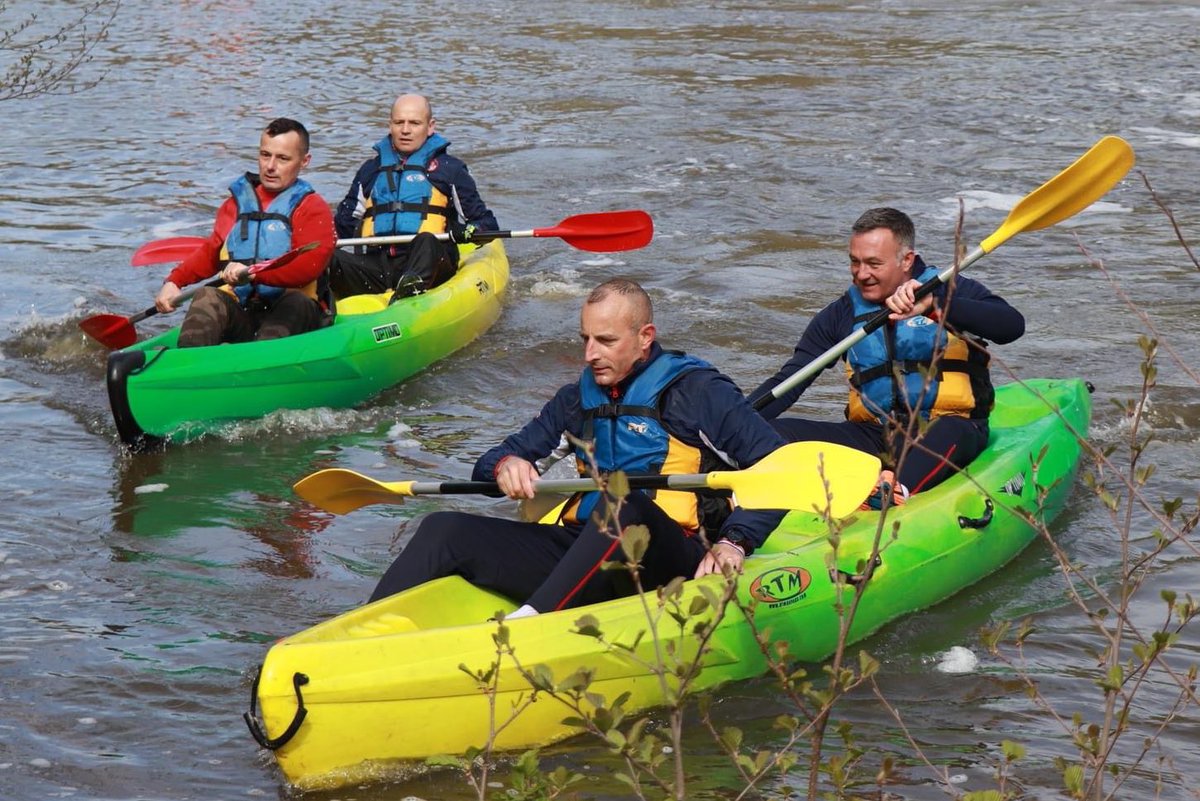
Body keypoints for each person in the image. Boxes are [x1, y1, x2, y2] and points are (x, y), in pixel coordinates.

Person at [369, 278, 788, 615]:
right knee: (445, 529)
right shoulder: (574, 401)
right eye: (584, 339)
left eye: (605, 341)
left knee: (622, 505)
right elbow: (490, 464)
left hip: (671, 558)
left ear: (645, 337)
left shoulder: (696, 391)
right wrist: (506, 466)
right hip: (586, 548)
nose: (590, 353)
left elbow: (779, 468)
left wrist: (735, 541)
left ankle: (531, 625)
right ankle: (354, 639)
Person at [749, 207, 1025, 503]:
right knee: (771, 434)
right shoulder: (840, 314)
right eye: (854, 262)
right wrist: (730, 422)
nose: (861, 274)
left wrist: (936, 305)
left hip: (948, 428)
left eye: (873, 264)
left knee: (950, 430)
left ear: (906, 260)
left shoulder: (949, 288)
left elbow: (1011, 326)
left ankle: (892, 493)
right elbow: (790, 381)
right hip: (874, 436)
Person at [154, 118, 336, 347]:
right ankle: (188, 368)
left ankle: (263, 365)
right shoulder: (235, 205)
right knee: (207, 296)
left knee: (296, 302)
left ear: (304, 161)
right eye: (265, 155)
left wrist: (253, 273)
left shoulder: (312, 207)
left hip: (296, 313)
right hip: (246, 310)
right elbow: (211, 252)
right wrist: (174, 281)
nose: (270, 166)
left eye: (283, 158)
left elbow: (308, 268)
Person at [327, 93, 498, 299]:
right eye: (399, 122)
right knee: (326, 259)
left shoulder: (450, 170)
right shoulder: (370, 171)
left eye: (415, 123)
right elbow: (341, 228)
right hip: (377, 267)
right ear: (390, 125)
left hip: (429, 264)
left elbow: (486, 223)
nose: (405, 130)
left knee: (426, 240)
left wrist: (471, 230)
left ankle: (409, 291)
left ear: (430, 126)